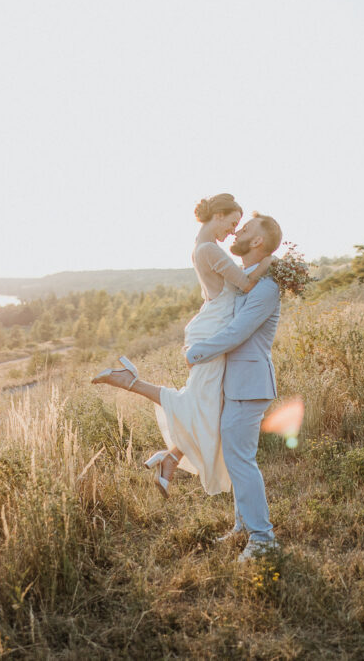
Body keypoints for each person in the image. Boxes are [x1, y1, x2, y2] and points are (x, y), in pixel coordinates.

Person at [95, 209, 285, 561]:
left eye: (245, 228)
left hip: (249, 384)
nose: (237, 231)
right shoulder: (249, 278)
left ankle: (263, 537)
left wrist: (196, 352)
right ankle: (244, 525)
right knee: (231, 456)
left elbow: (237, 332)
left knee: (241, 460)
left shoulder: (267, 288)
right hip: (231, 384)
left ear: (258, 240)